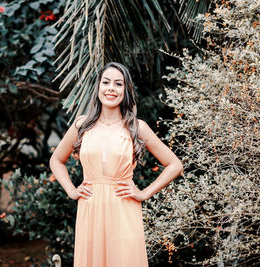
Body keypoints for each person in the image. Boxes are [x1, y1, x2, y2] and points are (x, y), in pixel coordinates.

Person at [49, 62, 183, 267]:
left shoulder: (138, 127)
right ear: (98, 87)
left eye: (118, 84)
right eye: (106, 82)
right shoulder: (82, 125)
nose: (111, 88)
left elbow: (174, 164)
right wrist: (71, 190)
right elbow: (56, 160)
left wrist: (144, 193)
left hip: (124, 208)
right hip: (90, 209)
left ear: (125, 91)